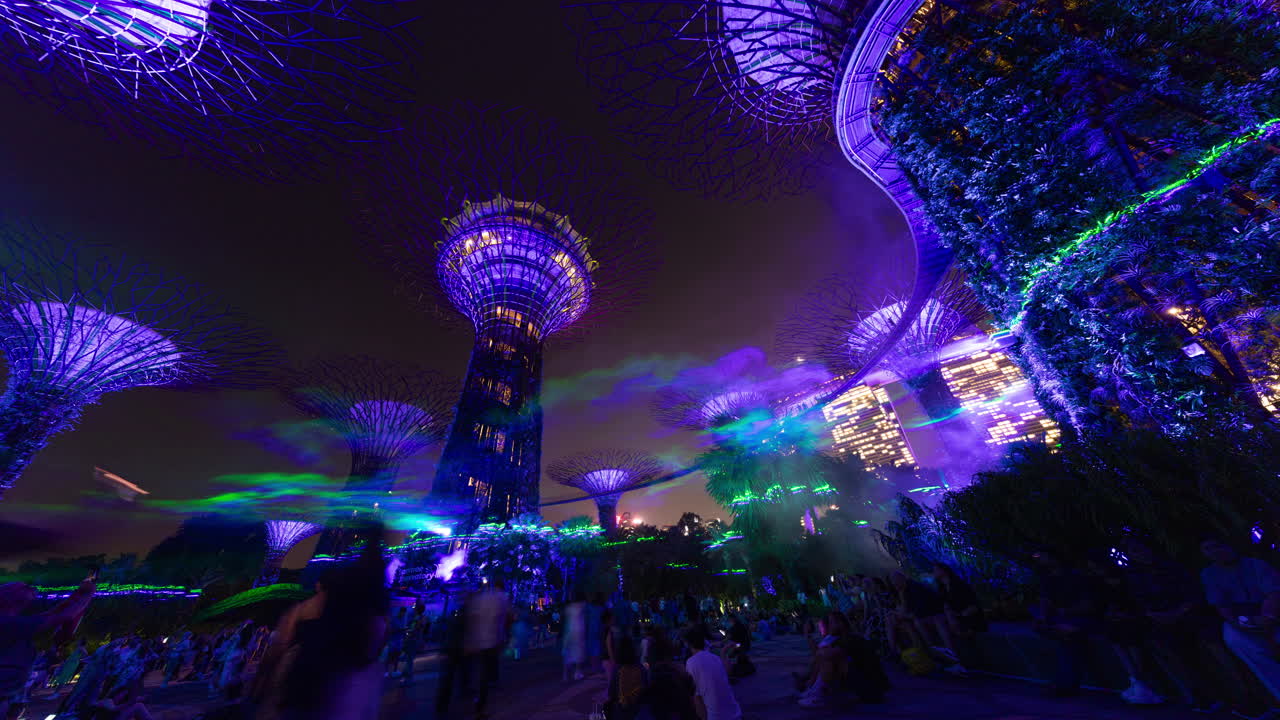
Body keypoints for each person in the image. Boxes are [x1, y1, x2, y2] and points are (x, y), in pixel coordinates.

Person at [270, 524, 390, 720]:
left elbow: (281, 645)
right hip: (332, 684)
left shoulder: (307, 612)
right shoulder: (369, 603)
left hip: (307, 686)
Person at [0, 577, 95, 719]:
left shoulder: (12, 620)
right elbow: (63, 616)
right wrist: (88, 595)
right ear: (9, 598)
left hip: (8, 692)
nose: (29, 589)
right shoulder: (8, 623)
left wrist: (77, 595)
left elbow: (52, 614)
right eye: (23, 587)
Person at [1200, 536, 1280, 702]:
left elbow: (1274, 593)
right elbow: (1220, 604)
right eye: (1208, 549)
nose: (1215, 551)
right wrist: (1236, 623)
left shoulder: (1256, 565)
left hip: (1271, 611)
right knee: (1236, 639)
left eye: (1217, 545)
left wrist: (1268, 617)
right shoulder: (1209, 574)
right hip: (1240, 616)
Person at [1033, 550, 1104, 697]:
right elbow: (1045, 602)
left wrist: (1064, 612)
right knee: (1065, 636)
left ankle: (1066, 683)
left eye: (1044, 557)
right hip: (1062, 619)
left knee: (1068, 638)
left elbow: (1090, 606)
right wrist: (1043, 618)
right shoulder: (1048, 580)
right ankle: (1066, 682)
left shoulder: (1078, 577)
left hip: (1083, 618)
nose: (1041, 560)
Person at [683, 628, 741, 720]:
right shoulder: (714, 657)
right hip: (736, 713)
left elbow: (697, 699)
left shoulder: (691, 663)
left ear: (688, 644)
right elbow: (726, 676)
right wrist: (723, 652)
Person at [562, 592, 588, 681]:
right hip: (579, 631)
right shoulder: (582, 606)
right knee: (578, 652)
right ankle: (577, 673)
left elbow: (565, 619)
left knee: (568, 652)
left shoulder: (568, 608)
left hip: (569, 630)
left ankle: (566, 674)